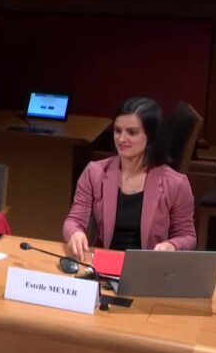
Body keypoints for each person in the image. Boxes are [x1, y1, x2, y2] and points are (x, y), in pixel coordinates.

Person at [63, 97, 197, 260]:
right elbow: (74, 220)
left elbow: (187, 236)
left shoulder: (176, 183)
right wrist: (75, 233)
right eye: (117, 131)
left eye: (132, 132)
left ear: (151, 136)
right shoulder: (95, 172)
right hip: (105, 261)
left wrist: (172, 245)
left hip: (149, 265)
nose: (121, 139)